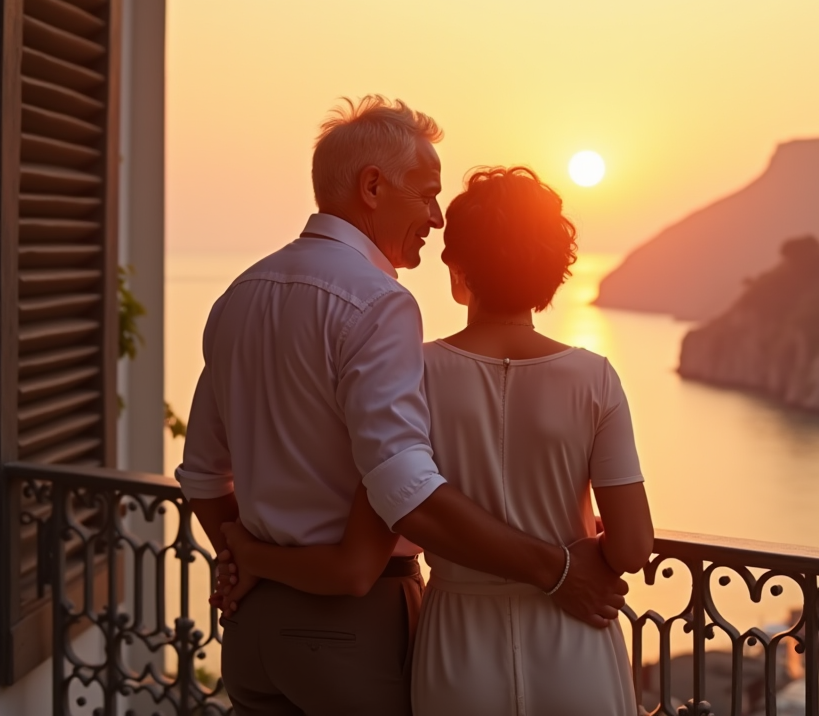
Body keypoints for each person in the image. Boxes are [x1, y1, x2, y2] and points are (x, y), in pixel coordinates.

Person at [175, 98, 627, 716]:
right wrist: (557, 569)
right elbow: (404, 489)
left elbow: (203, 475)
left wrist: (247, 561)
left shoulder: (240, 295)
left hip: (254, 634)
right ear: (372, 187)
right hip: (348, 632)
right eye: (427, 195)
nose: (436, 218)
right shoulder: (378, 301)